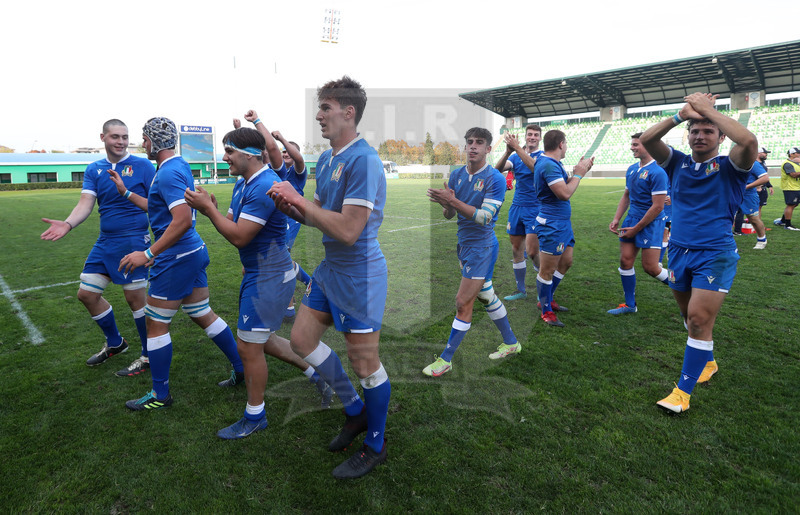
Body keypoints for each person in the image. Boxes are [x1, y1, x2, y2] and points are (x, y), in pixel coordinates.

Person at [267, 76, 390, 479]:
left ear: (348, 112)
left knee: (364, 362)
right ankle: (354, 410)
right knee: (301, 341)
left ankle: (375, 444)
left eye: (325, 107)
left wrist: (300, 199)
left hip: (359, 276)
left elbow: (349, 230)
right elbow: (315, 214)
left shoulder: (364, 160)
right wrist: (289, 205)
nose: (318, 115)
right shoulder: (328, 160)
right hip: (329, 270)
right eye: (319, 107)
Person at [184, 127, 332, 439]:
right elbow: (235, 223)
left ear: (251, 155)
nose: (224, 157)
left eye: (229, 151)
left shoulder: (265, 185)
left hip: (269, 276)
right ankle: (316, 372)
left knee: (248, 346)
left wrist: (208, 210)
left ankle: (256, 415)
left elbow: (239, 236)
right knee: (260, 340)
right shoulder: (243, 183)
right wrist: (212, 206)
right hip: (258, 273)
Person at [640, 92, 757, 413]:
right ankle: (708, 362)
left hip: (715, 253)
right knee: (689, 318)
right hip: (678, 251)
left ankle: (681, 393)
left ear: (721, 136)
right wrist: (681, 115)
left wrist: (706, 111)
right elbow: (648, 139)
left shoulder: (731, 165)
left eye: (708, 130)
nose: (700, 135)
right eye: (695, 130)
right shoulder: (678, 162)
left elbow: (748, 142)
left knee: (697, 317)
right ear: (687, 135)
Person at [118, 117, 245, 411]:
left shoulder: (167, 173)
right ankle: (241, 367)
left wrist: (149, 255)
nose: (143, 143)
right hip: (191, 253)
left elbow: (183, 220)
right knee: (202, 313)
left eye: (145, 138)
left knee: (155, 325)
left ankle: (160, 395)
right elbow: (165, 207)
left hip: (176, 258)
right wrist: (126, 192)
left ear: (155, 140)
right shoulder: (179, 166)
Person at [40, 119, 155, 375]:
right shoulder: (94, 169)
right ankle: (116, 343)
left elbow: (158, 205)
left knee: (135, 299)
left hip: (134, 240)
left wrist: (154, 248)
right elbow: (85, 204)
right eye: (115, 136)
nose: (121, 142)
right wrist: (68, 224)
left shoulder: (143, 166)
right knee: (87, 294)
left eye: (125, 137)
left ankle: (148, 356)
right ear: (102, 137)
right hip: (105, 242)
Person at [423, 128, 520, 378]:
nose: (473, 146)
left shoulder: (495, 179)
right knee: (486, 295)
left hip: (482, 248)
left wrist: (453, 202)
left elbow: (484, 217)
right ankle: (511, 342)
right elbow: (450, 215)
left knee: (462, 302)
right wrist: (447, 205)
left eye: (479, 143)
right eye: (469, 142)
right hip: (464, 246)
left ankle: (445, 359)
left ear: (488, 149)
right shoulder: (456, 175)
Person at [235, 112, 312, 318]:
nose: (285, 155)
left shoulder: (293, 174)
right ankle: (292, 301)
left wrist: (282, 140)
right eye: (284, 153)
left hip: (289, 222)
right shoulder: (271, 174)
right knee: (281, 262)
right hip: (275, 219)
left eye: (288, 153)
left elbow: (294, 156)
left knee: (281, 263)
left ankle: (289, 304)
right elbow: (254, 151)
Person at [533, 130, 594, 327]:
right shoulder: (548, 165)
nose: (566, 147)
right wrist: (579, 174)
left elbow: (563, 188)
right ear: (560, 144)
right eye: (565, 143)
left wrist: (579, 170)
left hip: (562, 224)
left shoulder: (553, 164)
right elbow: (564, 194)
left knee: (566, 262)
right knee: (547, 270)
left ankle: (547, 299)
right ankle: (545, 310)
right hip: (552, 224)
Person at [607, 132, 670, 315]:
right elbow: (626, 196)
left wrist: (636, 229)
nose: (632, 148)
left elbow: (658, 207)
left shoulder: (658, 172)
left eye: (636, 145)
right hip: (631, 220)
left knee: (651, 268)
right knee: (625, 261)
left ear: (648, 146)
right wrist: (617, 218)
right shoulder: (632, 169)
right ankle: (630, 305)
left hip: (650, 223)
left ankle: (685, 288)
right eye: (632, 144)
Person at [494, 125, 547, 302]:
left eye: (535, 135)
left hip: (535, 208)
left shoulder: (543, 157)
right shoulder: (515, 157)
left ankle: (544, 287)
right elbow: (497, 169)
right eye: (529, 134)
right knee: (516, 249)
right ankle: (521, 290)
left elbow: (535, 168)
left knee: (532, 251)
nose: (532, 137)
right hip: (517, 207)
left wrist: (516, 148)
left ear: (540, 138)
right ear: (525, 137)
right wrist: (508, 152)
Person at [739, 157, 771, 249]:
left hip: (748, 195)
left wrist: (747, 187)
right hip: (731, 193)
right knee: (726, 217)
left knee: (753, 218)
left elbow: (765, 178)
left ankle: (762, 239)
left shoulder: (753, 163)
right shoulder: (730, 162)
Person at [773, 146, 800, 230]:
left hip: (795, 187)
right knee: (791, 205)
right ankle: (787, 225)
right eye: (798, 153)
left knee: (794, 204)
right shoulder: (787, 164)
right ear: (792, 154)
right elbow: (793, 174)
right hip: (790, 188)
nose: (799, 154)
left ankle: (783, 221)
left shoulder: (795, 163)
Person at [755, 147, 774, 218]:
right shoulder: (752, 163)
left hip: (762, 188)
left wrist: (769, 186)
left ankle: (756, 225)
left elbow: (764, 176)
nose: (766, 154)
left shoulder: (763, 163)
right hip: (755, 188)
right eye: (765, 153)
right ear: (758, 153)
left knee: (759, 207)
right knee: (751, 207)